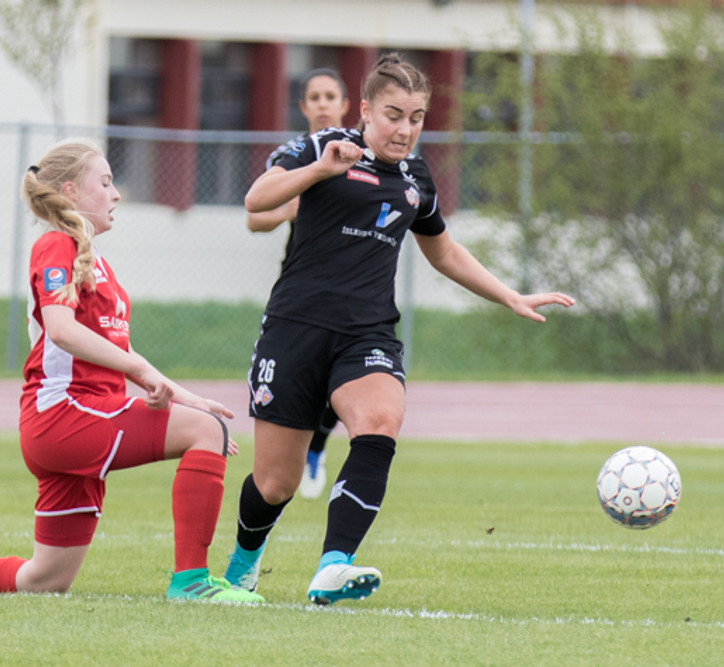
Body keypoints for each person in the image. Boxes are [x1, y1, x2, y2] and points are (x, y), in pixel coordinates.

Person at [225, 53, 576, 605]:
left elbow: (445, 253)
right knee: (275, 484)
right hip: (295, 329)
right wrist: (320, 171)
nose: (405, 129)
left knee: (380, 422)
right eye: (394, 115)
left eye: (416, 118)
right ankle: (243, 565)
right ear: (366, 110)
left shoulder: (416, 179)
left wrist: (509, 295)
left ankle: (333, 566)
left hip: (366, 334)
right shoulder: (323, 146)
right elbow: (256, 200)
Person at [0, 139, 264, 604]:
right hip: (65, 415)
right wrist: (167, 393)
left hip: (79, 417)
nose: (116, 194)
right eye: (105, 183)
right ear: (70, 191)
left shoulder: (95, 260)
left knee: (45, 580)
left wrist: (185, 398)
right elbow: (62, 329)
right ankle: (191, 583)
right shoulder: (56, 244)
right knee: (205, 433)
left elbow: (117, 350)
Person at [247, 68, 350, 500]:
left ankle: (317, 446)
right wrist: (290, 209)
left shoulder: (363, 154)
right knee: (303, 379)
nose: (323, 104)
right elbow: (255, 218)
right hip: (303, 285)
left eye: (331, 96)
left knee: (346, 378)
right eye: (315, 97)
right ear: (304, 107)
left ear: (346, 105)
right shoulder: (291, 156)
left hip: (354, 286)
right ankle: (297, 450)